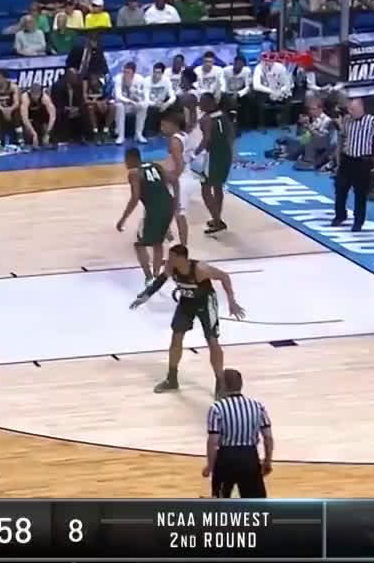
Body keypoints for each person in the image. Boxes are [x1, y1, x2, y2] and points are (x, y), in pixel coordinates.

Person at [130, 244, 246, 398]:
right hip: (187, 302)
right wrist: (146, 295)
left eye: (172, 257)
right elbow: (161, 280)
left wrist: (231, 301)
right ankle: (172, 379)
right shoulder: (171, 267)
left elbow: (224, 276)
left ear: (181, 258)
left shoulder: (200, 269)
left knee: (212, 341)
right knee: (176, 336)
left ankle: (220, 383)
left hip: (205, 302)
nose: (168, 260)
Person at [204, 368, 273, 498]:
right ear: (241, 384)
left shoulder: (216, 408)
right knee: (255, 502)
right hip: (250, 457)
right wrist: (268, 461)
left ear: (223, 385)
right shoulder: (257, 406)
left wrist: (210, 466)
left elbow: (213, 441)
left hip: (226, 457)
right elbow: (268, 437)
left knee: (221, 501)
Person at [116, 147, 178, 286]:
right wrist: (176, 202)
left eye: (126, 160)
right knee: (158, 243)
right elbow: (174, 180)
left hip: (154, 211)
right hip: (168, 207)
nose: (125, 163)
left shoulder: (134, 173)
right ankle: (156, 275)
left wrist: (123, 219)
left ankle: (149, 277)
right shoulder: (156, 166)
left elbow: (135, 198)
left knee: (139, 244)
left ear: (131, 159)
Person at [334, 98, 374, 232]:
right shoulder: (347, 120)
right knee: (340, 189)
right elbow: (342, 138)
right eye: (349, 109)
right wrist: (338, 156)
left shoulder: (372, 121)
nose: (350, 112)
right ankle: (340, 215)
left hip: (363, 161)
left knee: (360, 193)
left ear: (361, 108)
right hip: (347, 159)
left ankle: (358, 221)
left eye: (353, 109)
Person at [195, 94, 235, 235]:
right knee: (218, 187)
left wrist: (194, 153)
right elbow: (231, 136)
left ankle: (217, 221)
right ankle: (217, 217)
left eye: (201, 102)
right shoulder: (224, 116)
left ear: (209, 103)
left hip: (213, 156)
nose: (199, 105)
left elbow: (206, 139)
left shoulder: (205, 119)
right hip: (226, 155)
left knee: (205, 189)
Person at [161, 113, 199, 246]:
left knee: (179, 215)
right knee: (166, 209)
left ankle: (183, 246)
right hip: (187, 177)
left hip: (180, 180)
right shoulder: (185, 135)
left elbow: (179, 164)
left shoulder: (175, 140)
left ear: (174, 125)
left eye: (164, 125)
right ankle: (169, 237)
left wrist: (172, 179)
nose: (162, 128)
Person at [18, 82, 55, 147]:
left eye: (37, 94)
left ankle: (46, 139)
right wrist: (33, 134)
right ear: (30, 92)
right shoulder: (25, 97)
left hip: (40, 115)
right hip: (29, 116)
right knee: (29, 133)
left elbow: (52, 116)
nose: (36, 97)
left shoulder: (45, 98)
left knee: (47, 129)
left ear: (41, 93)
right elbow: (24, 118)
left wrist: (48, 133)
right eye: (34, 94)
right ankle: (27, 141)